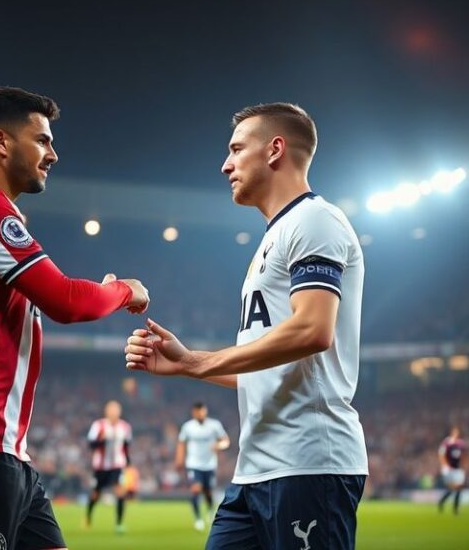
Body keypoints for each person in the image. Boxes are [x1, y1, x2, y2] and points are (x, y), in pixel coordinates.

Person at [0, 86, 149, 550]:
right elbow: (65, 300)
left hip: (1, 447)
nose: (53, 154)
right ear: (1, 142)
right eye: (42, 140)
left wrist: (101, 291)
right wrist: (124, 290)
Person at [125, 102, 367, 550]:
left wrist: (200, 360)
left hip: (308, 465)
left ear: (275, 150)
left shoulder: (315, 220)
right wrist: (185, 367)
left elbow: (313, 329)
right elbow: (269, 370)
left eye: (236, 149)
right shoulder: (272, 238)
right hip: (255, 470)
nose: (225, 164)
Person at [176, 402, 230, 531]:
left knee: (208, 492)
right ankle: (198, 519)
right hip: (193, 464)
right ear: (193, 412)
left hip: (209, 464)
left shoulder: (214, 425)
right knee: (195, 489)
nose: (200, 413)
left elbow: (225, 440)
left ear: (205, 411)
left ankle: (210, 510)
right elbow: (181, 443)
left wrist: (219, 445)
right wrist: (179, 459)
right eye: (198, 411)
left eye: (202, 411)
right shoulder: (188, 427)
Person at [85, 400, 132, 533]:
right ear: (106, 411)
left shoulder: (125, 427)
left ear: (119, 411)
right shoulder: (98, 425)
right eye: (111, 410)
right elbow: (91, 445)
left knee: (120, 492)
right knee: (96, 494)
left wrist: (128, 463)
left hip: (117, 465)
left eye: (116, 410)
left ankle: (119, 524)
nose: (113, 412)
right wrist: (102, 440)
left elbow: (126, 447)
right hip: (100, 467)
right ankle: (88, 516)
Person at [437, 426, 467, 514]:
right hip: (449, 469)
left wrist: (463, 466)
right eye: (456, 432)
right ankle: (442, 501)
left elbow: (464, 455)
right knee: (452, 488)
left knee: (459, 488)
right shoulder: (446, 443)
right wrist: (445, 465)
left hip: (458, 469)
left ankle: (455, 508)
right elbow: (441, 455)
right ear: (453, 433)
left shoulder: (461, 444)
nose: (457, 434)